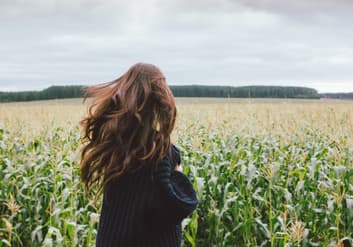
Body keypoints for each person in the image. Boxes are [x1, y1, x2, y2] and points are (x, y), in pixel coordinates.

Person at [79, 63, 199, 247]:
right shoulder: (161, 151)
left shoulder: (115, 148)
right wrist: (179, 176)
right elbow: (174, 207)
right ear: (161, 99)